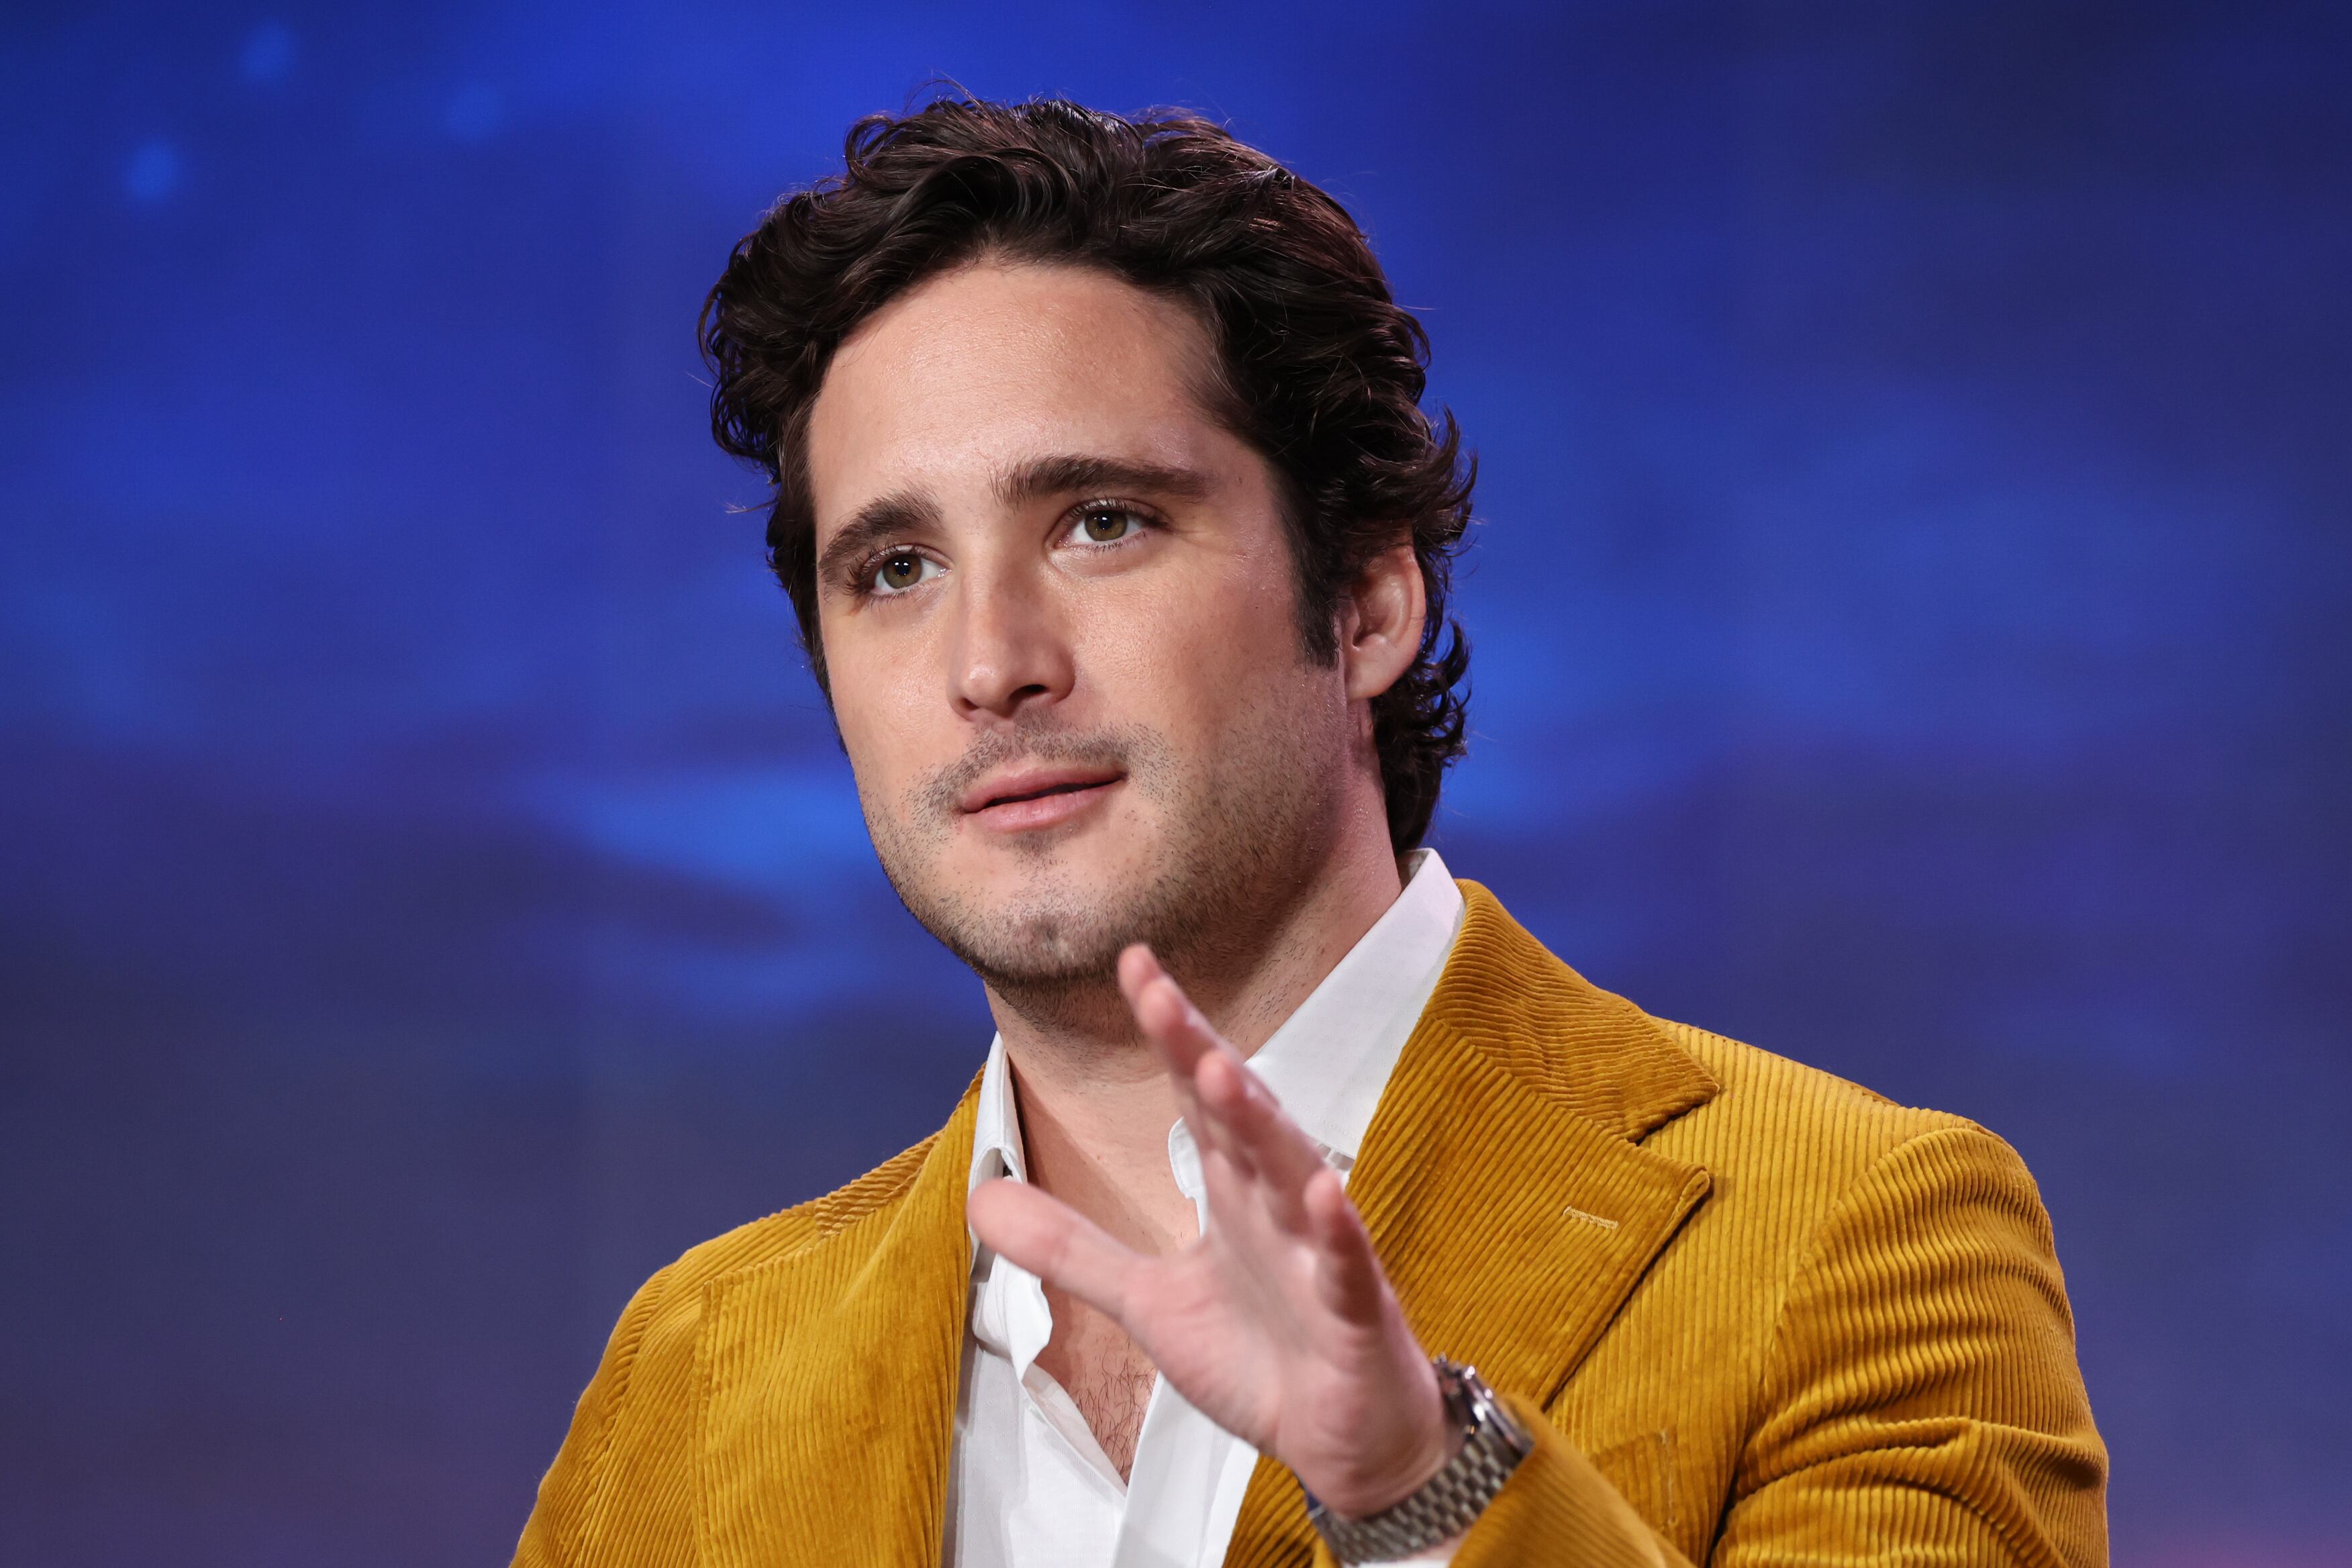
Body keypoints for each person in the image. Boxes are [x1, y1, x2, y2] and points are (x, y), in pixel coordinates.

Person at [511, 97, 2106, 1567]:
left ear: (1365, 602)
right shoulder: (693, 1373)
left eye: (1103, 521)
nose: (990, 663)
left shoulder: (1859, 1238)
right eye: (895, 569)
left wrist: (1423, 1487)